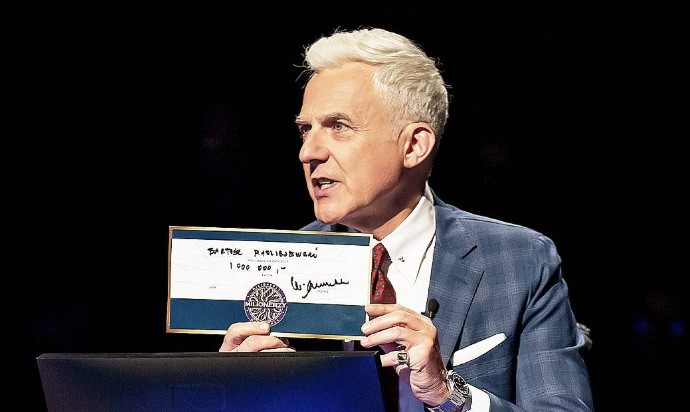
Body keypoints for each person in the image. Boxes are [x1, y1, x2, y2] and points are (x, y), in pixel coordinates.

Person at [219, 27, 594, 411]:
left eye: (339, 126)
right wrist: (234, 390)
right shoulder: (274, 270)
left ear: (414, 145)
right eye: (305, 129)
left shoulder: (520, 260)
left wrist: (449, 394)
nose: (308, 152)